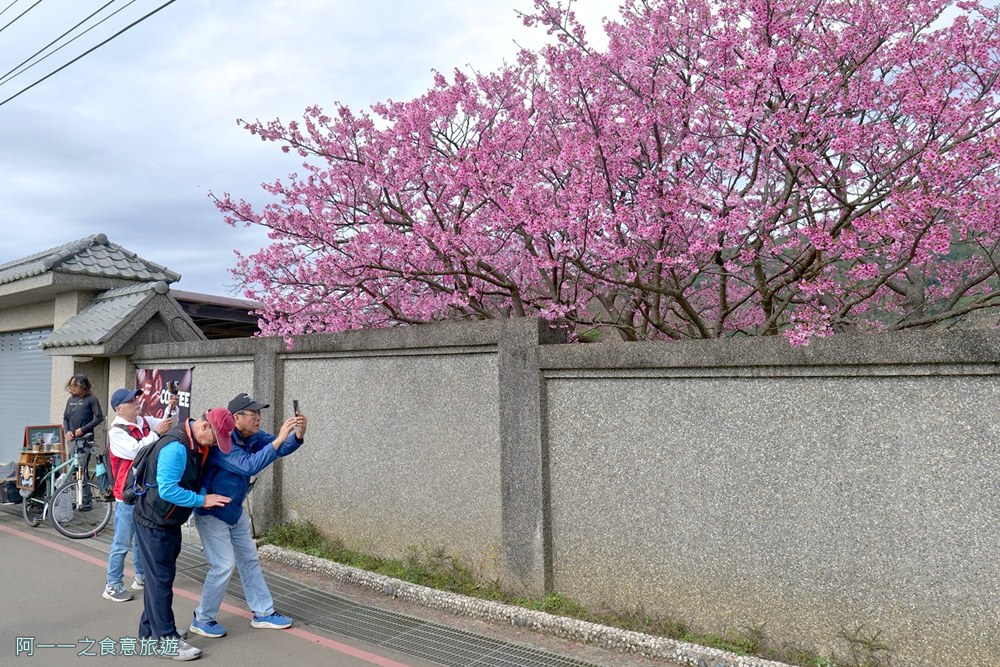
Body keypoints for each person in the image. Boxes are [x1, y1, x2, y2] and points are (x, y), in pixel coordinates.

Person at [189, 393, 307, 639]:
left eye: (259, 413)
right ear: (236, 418)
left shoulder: (253, 435)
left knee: (249, 560)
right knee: (223, 565)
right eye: (253, 414)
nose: (258, 418)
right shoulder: (221, 441)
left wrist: (297, 435)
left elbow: (280, 447)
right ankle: (202, 618)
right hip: (212, 512)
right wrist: (280, 440)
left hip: (235, 511)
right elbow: (249, 465)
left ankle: (263, 612)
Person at [133, 408, 234, 661]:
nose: (216, 445)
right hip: (154, 520)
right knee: (160, 580)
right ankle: (165, 638)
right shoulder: (176, 447)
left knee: (160, 579)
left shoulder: (194, 443)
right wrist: (203, 499)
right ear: (204, 427)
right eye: (215, 439)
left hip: (166, 520)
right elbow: (167, 490)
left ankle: (149, 632)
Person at [102, 387, 177, 603]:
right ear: (119, 408)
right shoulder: (117, 431)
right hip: (126, 495)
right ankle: (113, 584)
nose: (136, 402)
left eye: (136, 398)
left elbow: (165, 423)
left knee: (142, 538)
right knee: (122, 543)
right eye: (130, 400)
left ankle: (141, 576)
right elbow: (137, 451)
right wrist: (157, 433)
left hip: (143, 491)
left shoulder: (142, 422)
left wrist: (170, 408)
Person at [63, 373, 104, 447]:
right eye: (71, 385)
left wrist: (83, 430)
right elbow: (65, 418)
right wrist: (67, 431)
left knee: (82, 458)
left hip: (85, 439)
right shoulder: (70, 400)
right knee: (72, 458)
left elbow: (99, 417)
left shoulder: (92, 399)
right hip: (72, 439)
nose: (72, 388)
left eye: (75, 385)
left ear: (83, 386)